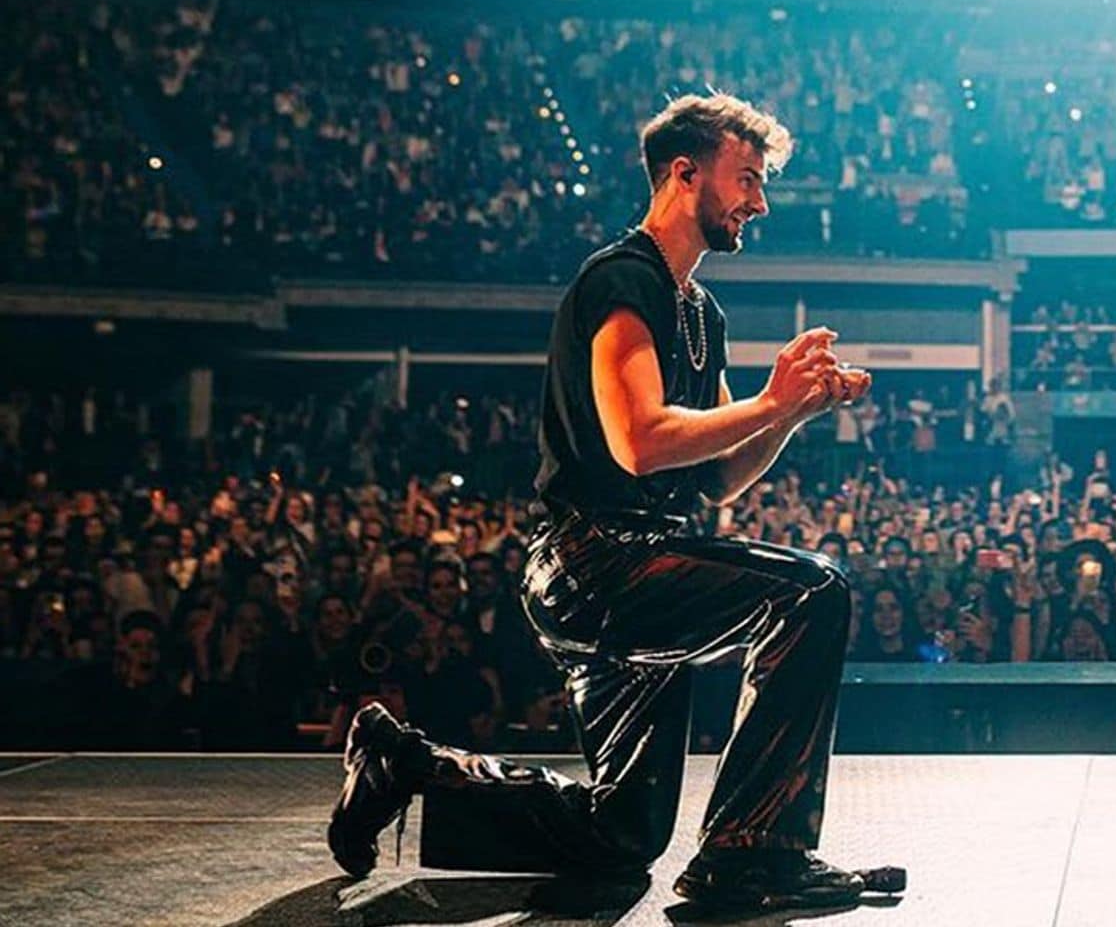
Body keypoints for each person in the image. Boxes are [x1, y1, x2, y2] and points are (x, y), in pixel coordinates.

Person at [326, 93, 904, 912]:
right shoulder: (624, 278)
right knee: (813, 592)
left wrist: (793, 414)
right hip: (597, 562)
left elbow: (714, 477)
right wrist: (773, 402)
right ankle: (752, 854)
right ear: (684, 172)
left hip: (640, 564)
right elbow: (640, 439)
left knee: (623, 834)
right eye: (747, 179)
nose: (760, 202)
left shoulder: (700, 310)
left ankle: (407, 763)